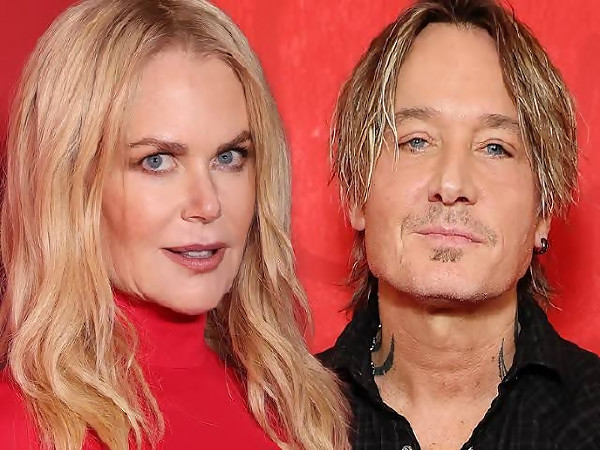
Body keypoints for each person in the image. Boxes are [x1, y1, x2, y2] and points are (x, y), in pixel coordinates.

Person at [0, 0, 350, 449]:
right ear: (72, 183)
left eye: (229, 157)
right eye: (157, 161)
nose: (208, 204)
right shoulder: (24, 428)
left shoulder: (296, 410)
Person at [321, 0, 600, 448]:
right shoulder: (274, 421)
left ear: (542, 212)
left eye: (495, 147)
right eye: (416, 141)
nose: (451, 184)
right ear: (357, 192)